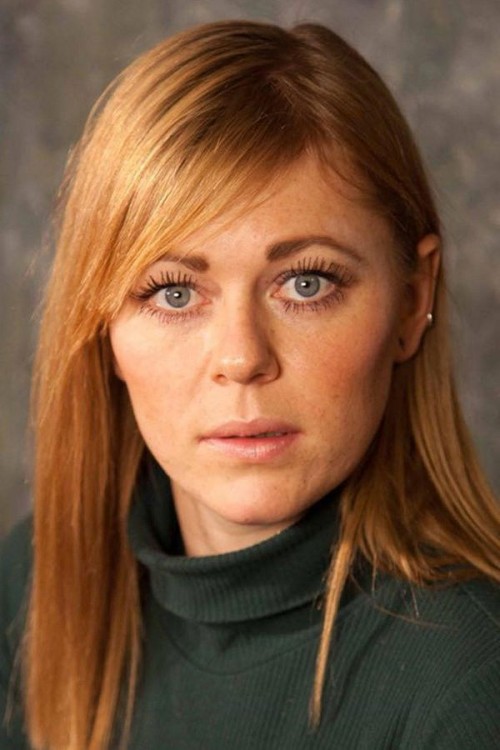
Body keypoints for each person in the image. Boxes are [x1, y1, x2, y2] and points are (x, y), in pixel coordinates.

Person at [1, 19, 499, 750]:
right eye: (173, 293)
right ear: (100, 325)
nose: (241, 358)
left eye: (306, 283)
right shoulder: (37, 586)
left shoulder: (472, 680)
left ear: (411, 298)